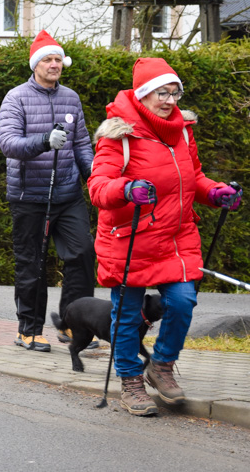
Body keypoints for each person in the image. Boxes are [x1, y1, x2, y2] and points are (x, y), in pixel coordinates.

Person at [88, 57, 241, 417]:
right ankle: (130, 381)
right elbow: (98, 187)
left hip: (176, 237)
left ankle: (161, 365)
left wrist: (215, 192)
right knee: (127, 315)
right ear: (143, 95)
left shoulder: (183, 131)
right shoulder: (118, 134)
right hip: (129, 240)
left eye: (175, 92)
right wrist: (127, 189)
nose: (170, 100)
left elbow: (194, 179)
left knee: (183, 301)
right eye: (162, 93)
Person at [0, 30, 95, 353]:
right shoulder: (16, 98)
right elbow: (8, 144)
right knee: (32, 264)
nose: (54, 65)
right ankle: (29, 329)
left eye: (58, 59)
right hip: (30, 197)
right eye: (48, 59)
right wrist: (42, 142)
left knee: (82, 255)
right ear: (36, 64)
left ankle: (73, 326)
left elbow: (82, 145)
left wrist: (95, 179)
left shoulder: (71, 98)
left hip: (67, 194)